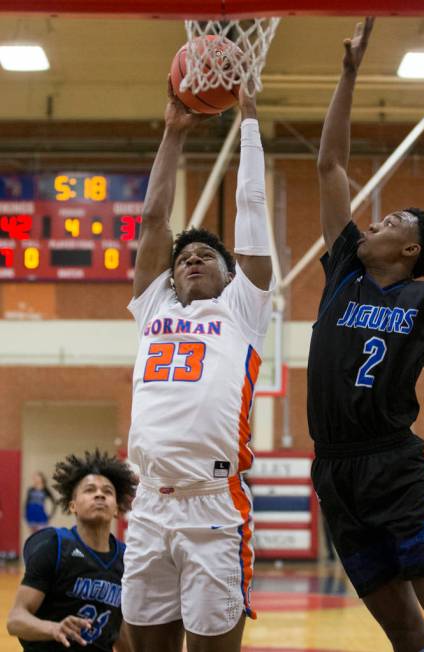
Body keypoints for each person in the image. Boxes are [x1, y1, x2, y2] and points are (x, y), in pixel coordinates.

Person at [308, 17, 424, 652]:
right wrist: (349, 74)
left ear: (410, 248)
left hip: (393, 465)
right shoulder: (346, 269)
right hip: (334, 470)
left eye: (395, 218)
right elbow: (329, 164)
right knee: (403, 632)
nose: (377, 217)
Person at [121, 79, 274, 652]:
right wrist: (173, 132)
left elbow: (252, 210)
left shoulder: (242, 308)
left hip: (214, 506)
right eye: (183, 258)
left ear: (229, 274)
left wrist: (251, 118)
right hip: (150, 504)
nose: (190, 261)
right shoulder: (154, 303)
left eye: (205, 255)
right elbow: (155, 219)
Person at [7, 450, 137, 651]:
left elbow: (119, 631)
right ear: (73, 505)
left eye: (108, 491)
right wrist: (54, 628)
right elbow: (15, 620)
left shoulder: (127, 558)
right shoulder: (55, 546)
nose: (100, 494)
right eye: (89, 490)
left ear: (117, 509)